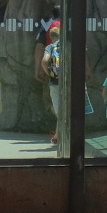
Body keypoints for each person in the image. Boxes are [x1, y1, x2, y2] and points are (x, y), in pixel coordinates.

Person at [35, 10, 62, 151]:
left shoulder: (46, 26)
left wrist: (42, 70)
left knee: (51, 103)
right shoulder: (69, 25)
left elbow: (40, 48)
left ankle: (60, 129)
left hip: (53, 77)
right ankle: (60, 132)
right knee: (67, 106)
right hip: (68, 78)